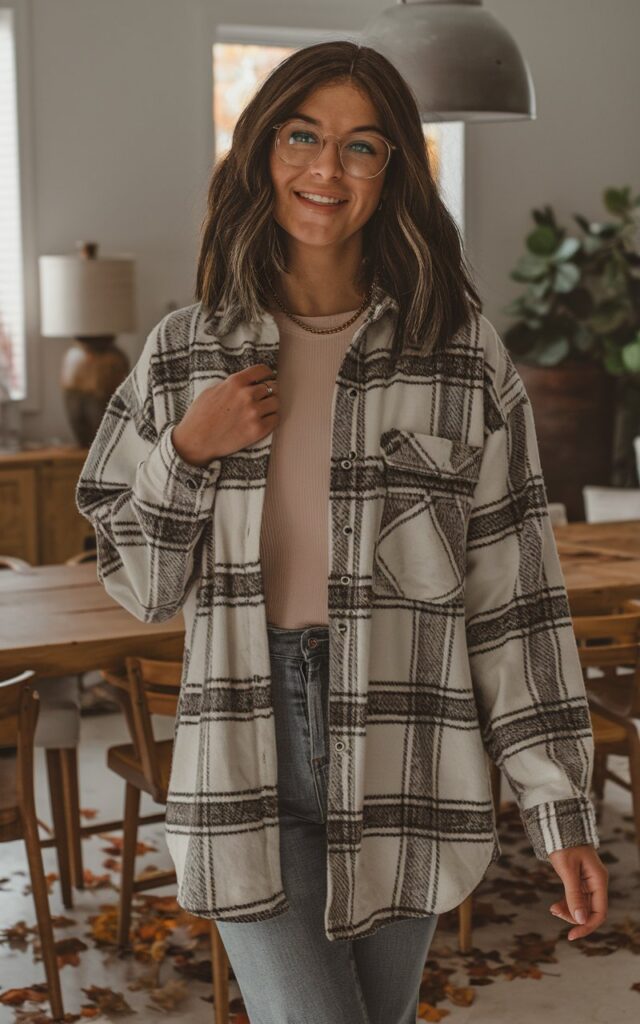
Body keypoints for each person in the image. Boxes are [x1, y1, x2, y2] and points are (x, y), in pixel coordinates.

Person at [76, 40, 608, 1024]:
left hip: (415, 742)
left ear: (392, 171)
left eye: (361, 147)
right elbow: (137, 580)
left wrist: (557, 809)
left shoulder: (461, 357)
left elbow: (513, 601)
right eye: (302, 136)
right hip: (244, 740)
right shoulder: (182, 352)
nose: (326, 169)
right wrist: (187, 452)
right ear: (261, 150)